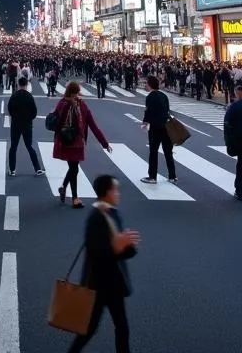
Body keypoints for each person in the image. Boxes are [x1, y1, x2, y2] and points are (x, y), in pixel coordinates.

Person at [66, 175, 138, 353]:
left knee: (121, 327)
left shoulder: (112, 213)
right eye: (115, 189)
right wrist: (117, 246)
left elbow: (121, 248)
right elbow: (95, 250)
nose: (118, 193)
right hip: (98, 284)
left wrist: (128, 246)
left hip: (114, 282)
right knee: (89, 329)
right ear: (106, 192)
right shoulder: (95, 217)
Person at [52, 81, 111, 209]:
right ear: (76, 92)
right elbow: (93, 126)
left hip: (65, 140)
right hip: (77, 141)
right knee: (74, 168)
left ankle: (64, 188)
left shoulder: (62, 104)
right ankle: (74, 198)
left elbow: (55, 122)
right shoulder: (81, 105)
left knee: (73, 168)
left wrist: (104, 143)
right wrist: (104, 143)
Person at [140, 75, 176, 185]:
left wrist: (145, 123)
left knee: (153, 152)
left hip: (155, 128)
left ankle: (152, 177)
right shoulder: (164, 96)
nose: (145, 85)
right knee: (168, 152)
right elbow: (167, 110)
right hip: (166, 126)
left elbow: (148, 112)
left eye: (146, 83)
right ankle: (172, 176)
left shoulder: (150, 97)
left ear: (150, 85)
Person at [7, 76, 44, 177]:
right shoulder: (29, 96)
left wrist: (14, 116)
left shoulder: (14, 96)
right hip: (27, 124)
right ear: (26, 85)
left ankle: (12, 169)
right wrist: (29, 118)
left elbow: (9, 109)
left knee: (13, 146)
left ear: (18, 84)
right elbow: (34, 112)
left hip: (15, 124)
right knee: (29, 146)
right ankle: (37, 168)